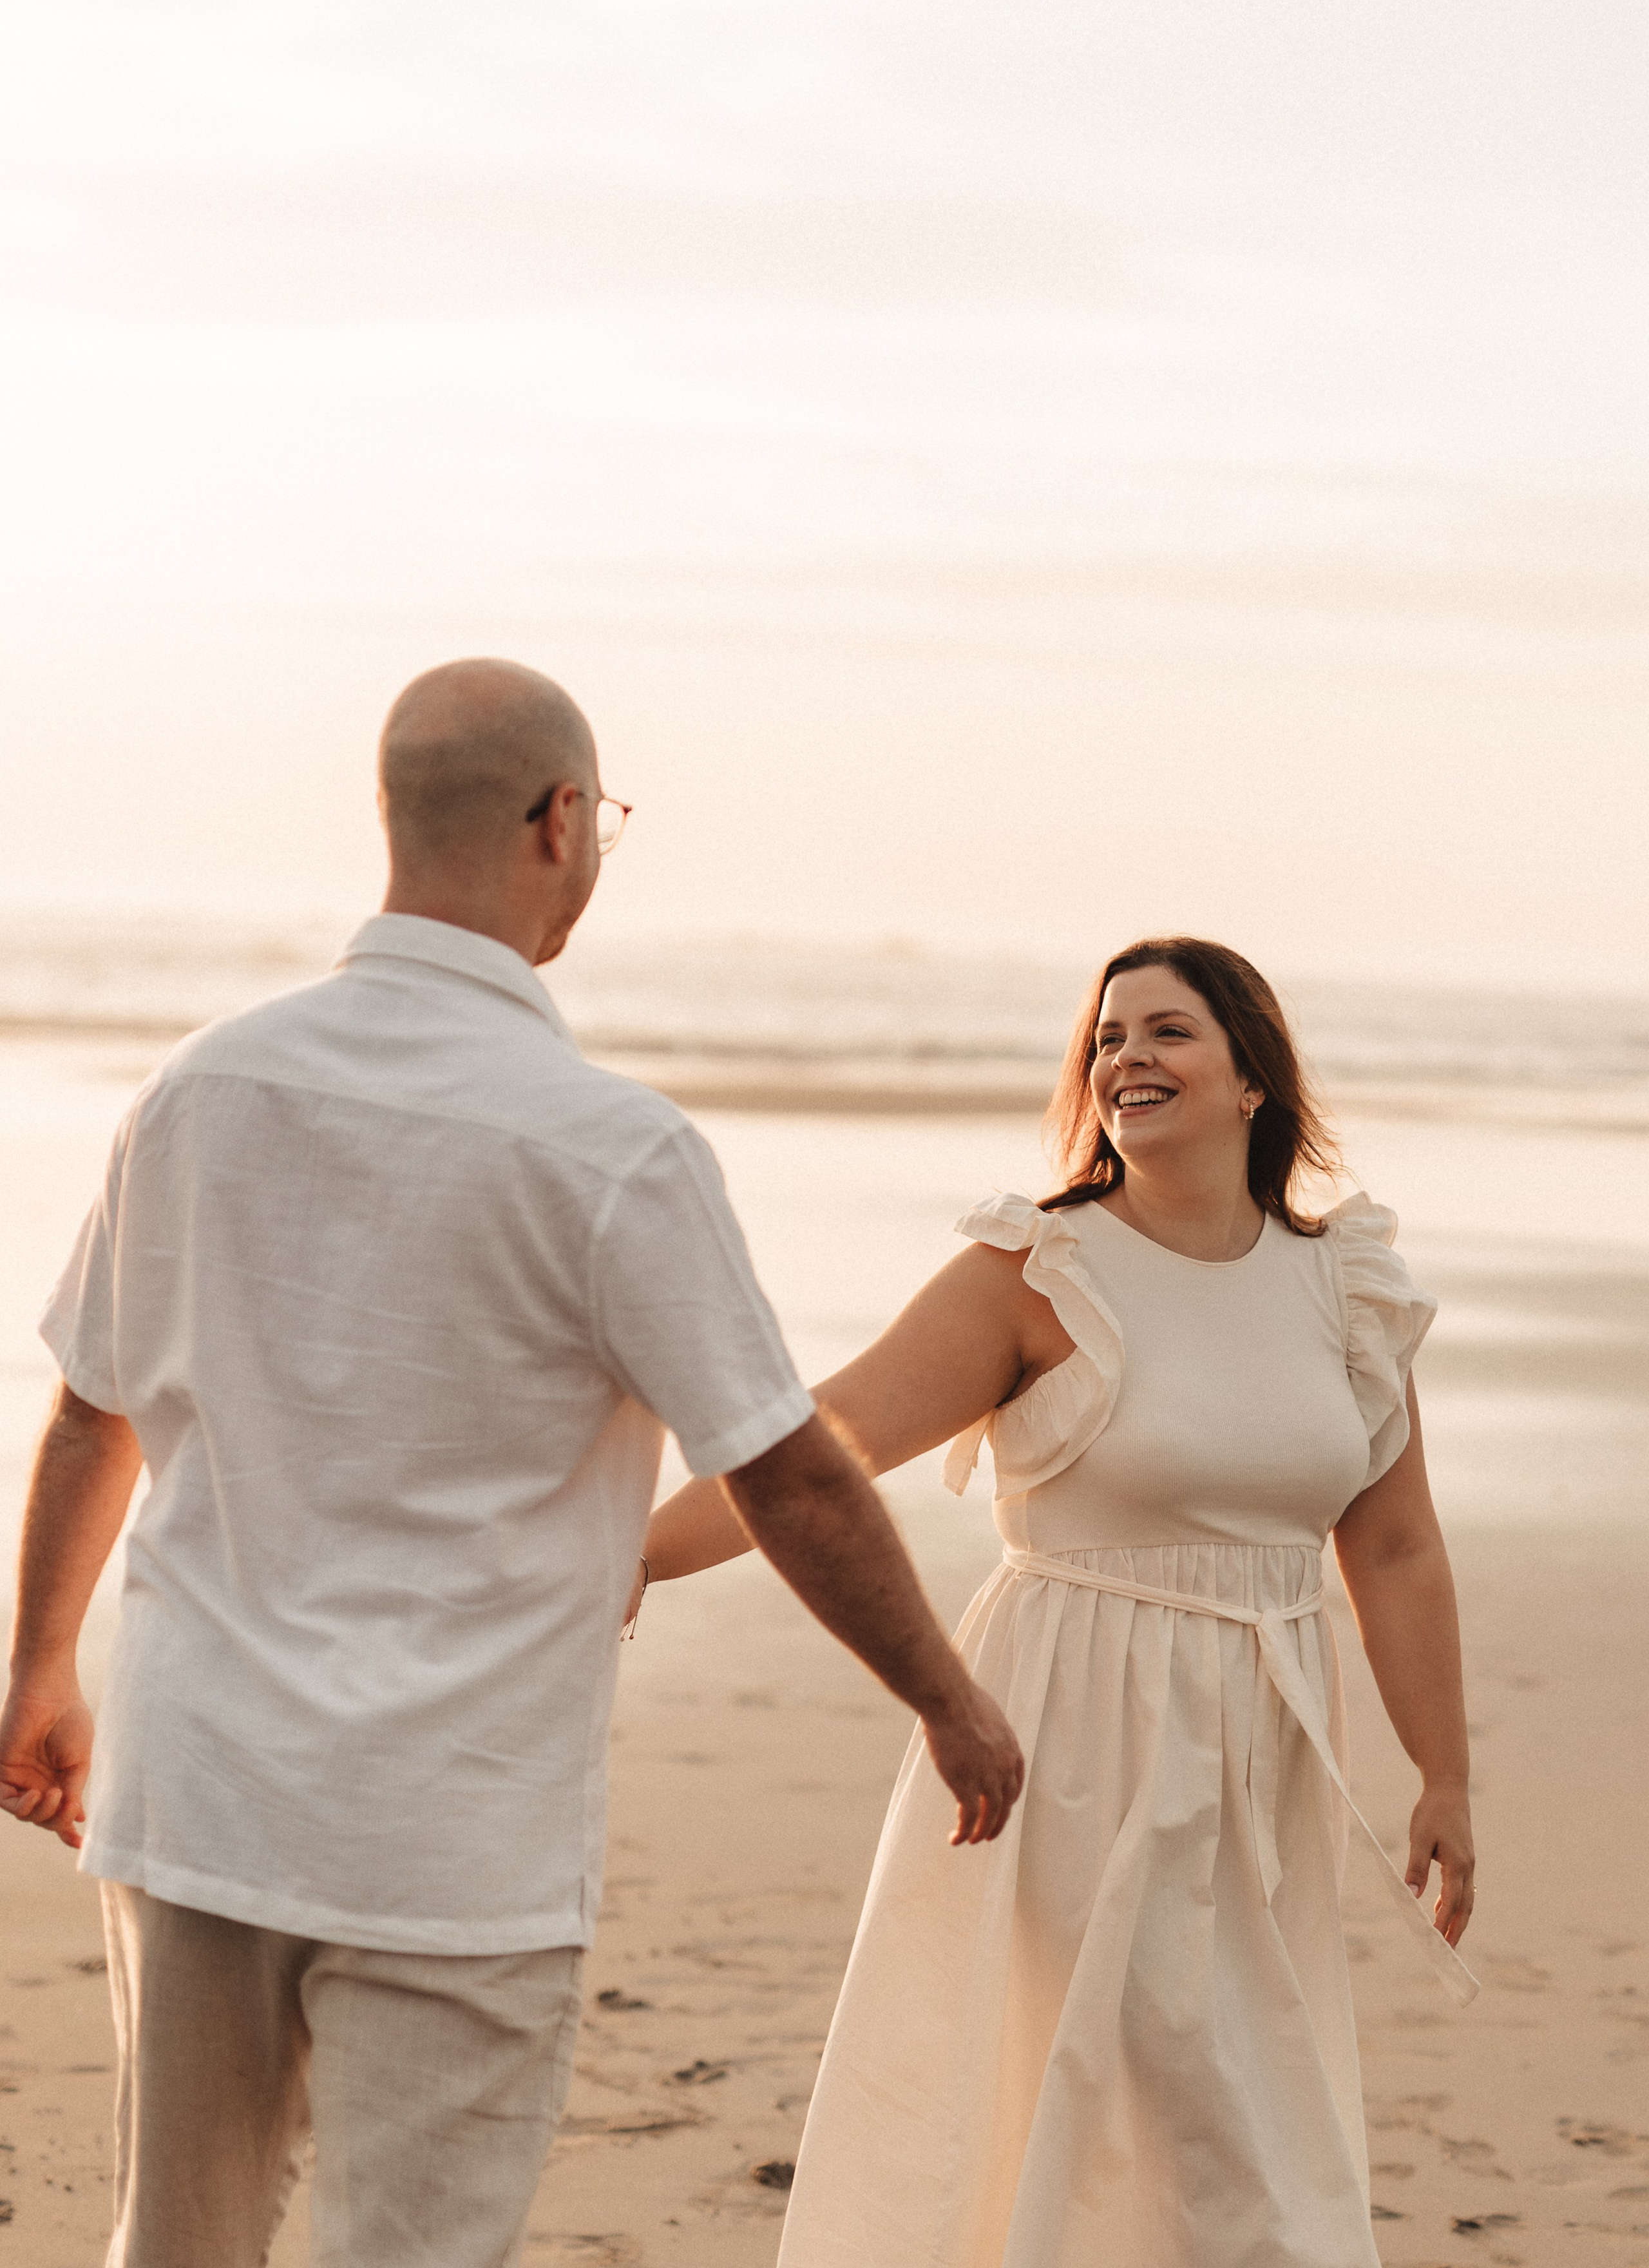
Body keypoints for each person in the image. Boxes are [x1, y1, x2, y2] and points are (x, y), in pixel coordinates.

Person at [0, 658, 1022, 2268]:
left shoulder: (196, 1090)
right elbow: (790, 1473)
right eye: (601, 818)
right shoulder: (609, 1146)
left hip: (198, 1787)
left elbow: (90, 1410)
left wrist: (42, 1666)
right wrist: (946, 1700)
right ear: (557, 821)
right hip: (452, 1831)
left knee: (174, 2244)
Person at [641, 936, 1478, 2268]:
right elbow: (832, 1437)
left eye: (1165, 1031)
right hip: (1075, 1731)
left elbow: (1393, 1548)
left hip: (1263, 1742)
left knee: (1222, 2075)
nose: (1124, 1058)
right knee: (1149, 2081)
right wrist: (639, 1553)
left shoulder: (1343, 1285)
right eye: (1105, 1039)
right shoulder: (1038, 1269)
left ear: (1252, 1074)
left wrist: (1442, 1772)